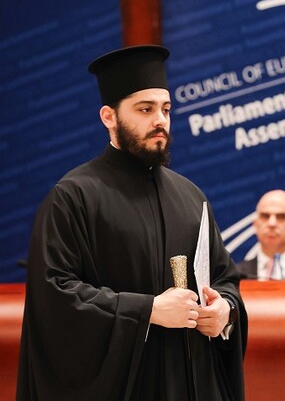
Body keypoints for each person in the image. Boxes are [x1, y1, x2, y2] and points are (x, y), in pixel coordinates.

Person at [17, 45, 247, 401]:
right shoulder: (73, 196)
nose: (161, 120)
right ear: (109, 116)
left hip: (194, 382)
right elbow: (55, 296)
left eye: (166, 109)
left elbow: (225, 278)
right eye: (145, 109)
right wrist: (149, 311)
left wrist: (225, 312)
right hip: (126, 385)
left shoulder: (190, 195)